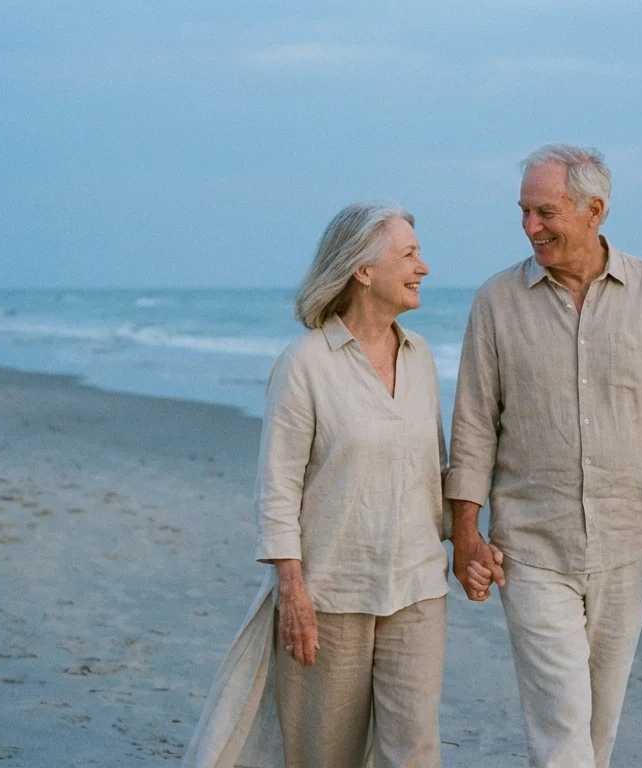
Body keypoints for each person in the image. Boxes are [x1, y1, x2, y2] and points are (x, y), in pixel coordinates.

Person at [445, 144, 642, 767]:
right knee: (561, 728)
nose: (530, 227)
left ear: (594, 209)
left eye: (545, 211)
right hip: (531, 547)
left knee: (598, 730)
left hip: (626, 544)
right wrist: (465, 532)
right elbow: (472, 426)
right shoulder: (497, 302)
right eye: (524, 212)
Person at [183, 201, 449, 768]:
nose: (423, 267)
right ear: (362, 270)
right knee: (326, 755)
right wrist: (293, 591)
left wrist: (473, 536)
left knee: (416, 752)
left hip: (418, 589)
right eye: (408, 254)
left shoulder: (421, 356)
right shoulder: (305, 364)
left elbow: (433, 472)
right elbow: (276, 488)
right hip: (332, 593)